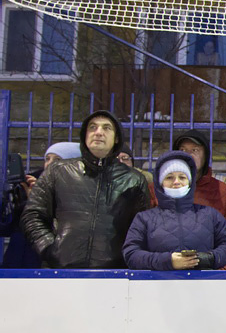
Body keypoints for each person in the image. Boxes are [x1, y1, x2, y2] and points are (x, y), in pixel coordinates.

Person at [21, 110, 150, 269]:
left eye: (106, 128)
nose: (98, 132)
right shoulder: (58, 171)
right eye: (92, 127)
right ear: (84, 134)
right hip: (59, 270)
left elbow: (141, 228)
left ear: (116, 138)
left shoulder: (134, 180)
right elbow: (33, 215)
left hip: (114, 274)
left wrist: (125, 257)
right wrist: (49, 249)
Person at [122, 152, 226, 271]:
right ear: (160, 183)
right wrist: (168, 261)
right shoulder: (144, 219)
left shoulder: (210, 215)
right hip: (156, 287)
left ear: (190, 182)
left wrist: (208, 259)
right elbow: (131, 253)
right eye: (169, 177)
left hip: (203, 285)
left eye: (182, 177)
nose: (176, 182)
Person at [170, 129, 226, 271]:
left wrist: (225, 270)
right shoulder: (160, 190)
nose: (188, 155)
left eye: (195, 150)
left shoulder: (223, 193)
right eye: (183, 150)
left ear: (205, 156)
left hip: (211, 274)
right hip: (166, 275)